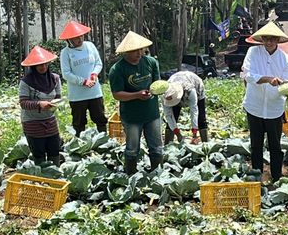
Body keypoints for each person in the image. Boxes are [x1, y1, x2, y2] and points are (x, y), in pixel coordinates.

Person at [241, 22, 288, 182]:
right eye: (266, 39)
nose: (269, 42)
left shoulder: (285, 59)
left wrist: (286, 86)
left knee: (275, 145)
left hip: (274, 108)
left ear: (277, 40)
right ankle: (257, 175)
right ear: (262, 39)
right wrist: (268, 79)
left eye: (272, 39)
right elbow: (248, 75)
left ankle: (276, 177)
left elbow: (287, 82)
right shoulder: (253, 52)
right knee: (256, 144)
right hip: (254, 106)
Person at [109, 31, 163, 175]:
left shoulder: (151, 62)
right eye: (134, 50)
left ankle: (157, 174)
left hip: (152, 114)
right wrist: (137, 95)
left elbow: (156, 84)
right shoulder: (117, 69)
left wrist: (155, 91)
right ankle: (131, 175)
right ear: (126, 52)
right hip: (132, 116)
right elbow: (117, 94)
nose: (139, 53)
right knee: (132, 149)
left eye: (140, 49)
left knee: (157, 147)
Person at [59, 21, 108, 137]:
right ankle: (80, 144)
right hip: (77, 95)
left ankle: (103, 141)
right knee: (79, 122)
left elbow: (98, 63)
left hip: (95, 92)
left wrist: (94, 74)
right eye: (75, 38)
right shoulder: (65, 53)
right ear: (69, 39)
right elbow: (66, 74)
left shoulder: (90, 46)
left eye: (81, 36)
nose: (79, 39)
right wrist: (83, 81)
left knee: (100, 118)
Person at [19, 46, 62, 166]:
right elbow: (23, 103)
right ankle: (42, 177)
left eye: (45, 64)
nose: (43, 67)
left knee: (54, 149)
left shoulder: (55, 79)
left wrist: (56, 104)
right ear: (34, 66)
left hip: (50, 120)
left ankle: (56, 174)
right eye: (39, 65)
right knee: (39, 153)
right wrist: (39, 104)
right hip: (32, 122)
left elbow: (58, 97)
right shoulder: (26, 82)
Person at [161, 71, 208, 145]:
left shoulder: (190, 90)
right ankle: (167, 144)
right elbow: (168, 115)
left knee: (201, 118)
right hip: (176, 83)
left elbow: (194, 110)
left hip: (196, 86)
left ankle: (206, 144)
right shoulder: (166, 95)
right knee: (174, 115)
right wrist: (178, 134)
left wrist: (194, 132)